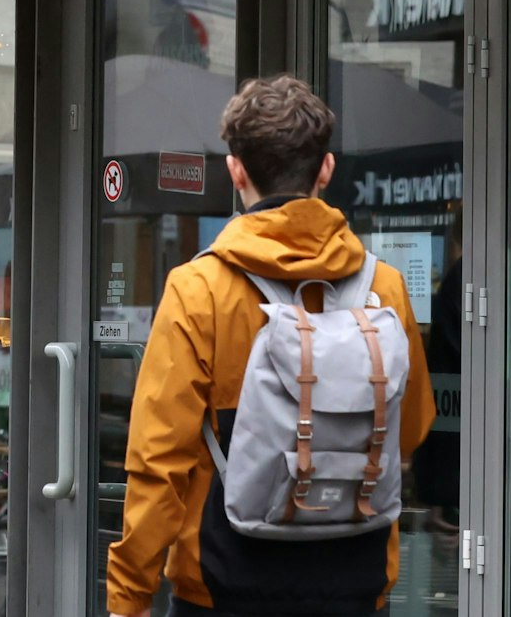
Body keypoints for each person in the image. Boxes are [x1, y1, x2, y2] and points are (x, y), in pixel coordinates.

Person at [106, 76, 436, 617]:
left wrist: (129, 594)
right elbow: (413, 426)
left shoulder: (199, 289)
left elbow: (158, 460)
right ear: (325, 169)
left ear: (236, 171)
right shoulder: (385, 288)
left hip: (223, 580)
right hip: (354, 576)